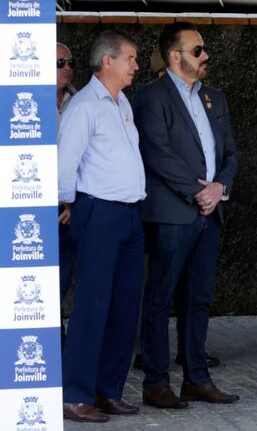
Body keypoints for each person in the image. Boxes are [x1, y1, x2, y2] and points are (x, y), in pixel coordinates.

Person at [133, 22, 240, 408]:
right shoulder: (150, 97)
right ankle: (156, 383)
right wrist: (199, 191)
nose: (205, 55)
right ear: (175, 56)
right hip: (173, 214)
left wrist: (219, 189)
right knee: (160, 298)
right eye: (197, 50)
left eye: (204, 49)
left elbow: (230, 153)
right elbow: (157, 153)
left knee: (199, 299)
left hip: (210, 213)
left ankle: (197, 378)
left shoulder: (215, 98)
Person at [58, 32, 147, 423]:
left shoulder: (122, 101)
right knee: (92, 308)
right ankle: (75, 394)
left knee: (125, 308)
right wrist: (68, 203)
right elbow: (65, 163)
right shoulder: (84, 106)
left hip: (129, 215)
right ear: (107, 61)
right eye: (130, 58)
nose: (136, 65)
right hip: (99, 213)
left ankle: (108, 390)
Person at [56, 43, 77, 322]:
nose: (68, 67)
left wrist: (74, 202)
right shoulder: (20, 102)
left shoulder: (82, 102)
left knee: (64, 274)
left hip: (71, 205)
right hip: (30, 200)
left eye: (70, 62)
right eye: (60, 63)